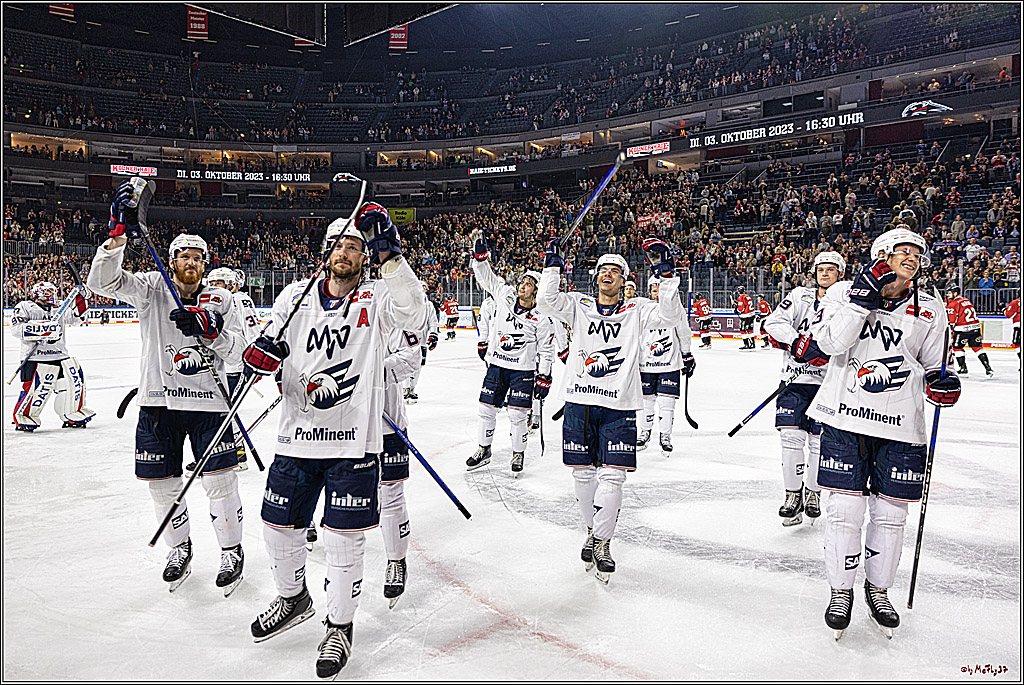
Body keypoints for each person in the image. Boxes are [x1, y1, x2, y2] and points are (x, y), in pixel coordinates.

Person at [243, 204, 425, 678]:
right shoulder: (293, 296)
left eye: (355, 246)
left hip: (353, 443)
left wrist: (392, 257)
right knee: (277, 529)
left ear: (366, 256)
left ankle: (339, 627)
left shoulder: (378, 296)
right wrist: (262, 356)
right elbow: (263, 350)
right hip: (297, 436)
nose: (345, 252)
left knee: (343, 540)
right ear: (325, 252)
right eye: (338, 245)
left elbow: (415, 311)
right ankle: (293, 597)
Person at [87, 182, 246, 595]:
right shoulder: (151, 286)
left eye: (197, 257)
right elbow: (101, 284)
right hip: (159, 402)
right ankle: (180, 548)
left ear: (206, 264)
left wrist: (212, 333)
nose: (189, 262)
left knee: (219, 481)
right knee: (163, 484)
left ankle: (231, 551)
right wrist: (116, 238)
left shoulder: (222, 300)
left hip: (211, 403)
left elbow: (242, 354)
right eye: (182, 256)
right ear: (171, 260)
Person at [805, 227, 959, 639]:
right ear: (881, 255)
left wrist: (944, 381)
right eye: (903, 250)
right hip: (844, 416)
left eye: (917, 252)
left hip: (901, 424)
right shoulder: (840, 292)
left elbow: (935, 362)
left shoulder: (930, 306)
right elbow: (830, 344)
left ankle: (878, 589)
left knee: (891, 515)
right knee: (844, 511)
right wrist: (861, 300)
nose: (912, 257)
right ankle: (841, 591)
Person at [538, 238, 683, 583]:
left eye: (615, 271)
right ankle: (593, 530)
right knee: (583, 475)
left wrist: (666, 275)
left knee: (613, 477)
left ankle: (602, 541)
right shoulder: (578, 304)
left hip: (620, 406)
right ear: (595, 277)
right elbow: (546, 301)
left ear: (624, 280)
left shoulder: (638, 309)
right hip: (579, 400)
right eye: (603, 270)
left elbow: (671, 315)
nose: (608, 274)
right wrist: (552, 267)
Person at [763, 251, 846, 527]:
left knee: (818, 443)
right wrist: (796, 341)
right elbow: (773, 324)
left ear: (840, 274)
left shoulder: (847, 303)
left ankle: (812, 493)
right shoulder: (800, 296)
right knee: (790, 439)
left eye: (831, 270)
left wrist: (830, 351)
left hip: (828, 384)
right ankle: (792, 495)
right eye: (821, 269)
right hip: (794, 382)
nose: (825, 273)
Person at [466, 229, 554, 475]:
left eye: (528, 284)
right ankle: (484, 450)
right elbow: (486, 278)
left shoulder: (541, 318)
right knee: (486, 409)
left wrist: (544, 377)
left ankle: (518, 453)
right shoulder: (504, 294)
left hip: (522, 372)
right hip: (496, 366)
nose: (522, 285)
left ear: (536, 293)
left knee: (517, 415)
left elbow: (546, 351)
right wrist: (480, 256)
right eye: (523, 281)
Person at [379, 324, 423, 608]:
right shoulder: (325, 314)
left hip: (386, 423)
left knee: (390, 494)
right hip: (340, 425)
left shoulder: (390, 312)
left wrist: (370, 370)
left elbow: (410, 358)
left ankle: (396, 560)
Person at [11, 281, 94, 431]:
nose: (52, 295)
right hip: (35, 356)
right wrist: (41, 329)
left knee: (73, 383)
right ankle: (25, 416)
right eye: (48, 292)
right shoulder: (25, 306)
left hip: (59, 354)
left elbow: (77, 319)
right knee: (35, 389)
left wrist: (82, 300)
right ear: (38, 293)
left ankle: (72, 414)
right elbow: (16, 329)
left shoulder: (60, 307)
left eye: (53, 291)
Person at [637, 275, 696, 456]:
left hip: (669, 363)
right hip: (645, 363)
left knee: (666, 402)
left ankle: (665, 436)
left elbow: (684, 332)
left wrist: (686, 354)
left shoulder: (675, 309)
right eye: (654, 291)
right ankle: (644, 432)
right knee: (646, 402)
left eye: (660, 291)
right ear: (649, 292)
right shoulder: (642, 308)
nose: (657, 294)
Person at [944, 286, 993, 377]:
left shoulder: (953, 304)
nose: (947, 295)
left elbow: (952, 321)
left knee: (957, 348)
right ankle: (988, 368)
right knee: (978, 348)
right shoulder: (966, 300)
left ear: (955, 293)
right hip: (975, 327)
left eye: (949, 293)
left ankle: (963, 368)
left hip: (962, 329)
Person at [403, 289, 439, 404]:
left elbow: (433, 321)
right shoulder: (405, 303)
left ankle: (412, 388)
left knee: (418, 367)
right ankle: (405, 388)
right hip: (406, 342)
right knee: (405, 365)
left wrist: (433, 334)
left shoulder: (428, 305)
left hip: (421, 342)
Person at [1004, 296, 1020, 363]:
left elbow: (1009, 315)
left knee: (1017, 345)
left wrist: (1004, 309)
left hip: (1019, 326)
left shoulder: (1016, 302)